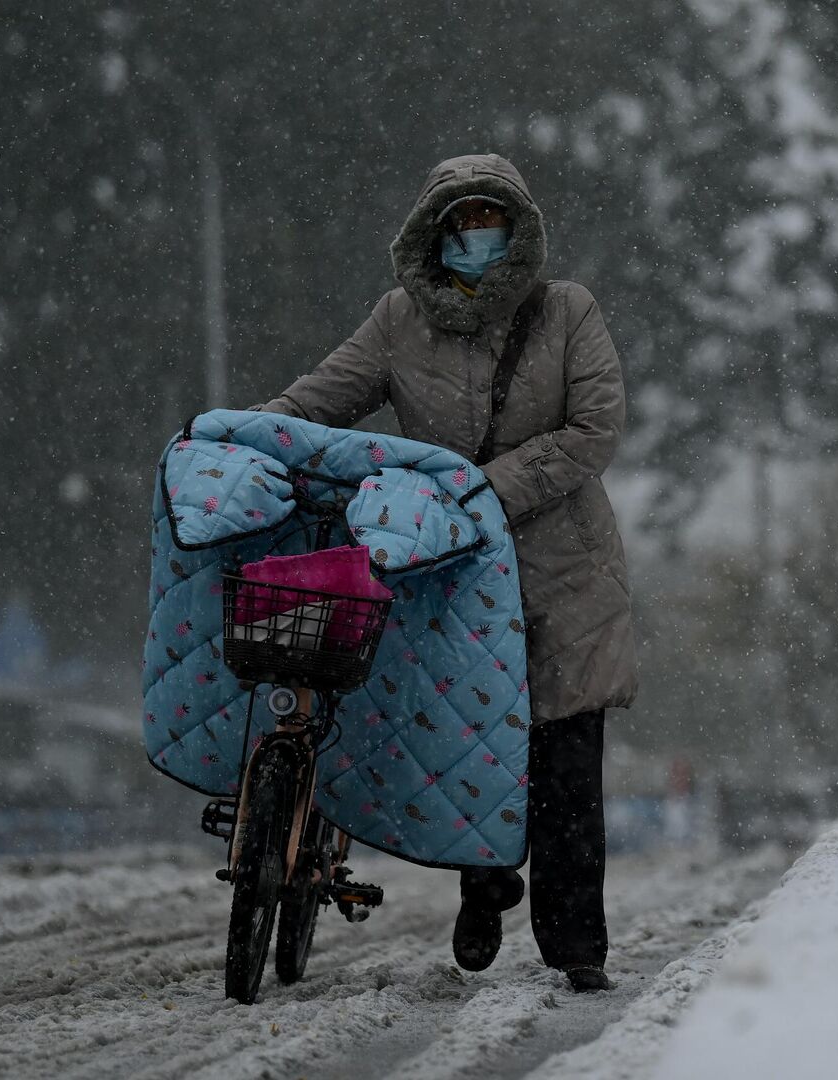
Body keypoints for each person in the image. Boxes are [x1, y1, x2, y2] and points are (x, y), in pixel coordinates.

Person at [256, 154, 636, 993]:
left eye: (488, 218)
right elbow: (326, 395)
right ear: (434, 234)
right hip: (453, 569)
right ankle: (486, 883)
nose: (475, 236)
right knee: (470, 744)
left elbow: (595, 428)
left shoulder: (569, 311)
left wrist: (487, 489)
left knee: (566, 756)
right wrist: (249, 431)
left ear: (518, 226)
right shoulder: (398, 322)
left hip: (564, 570)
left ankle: (577, 945)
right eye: (459, 222)